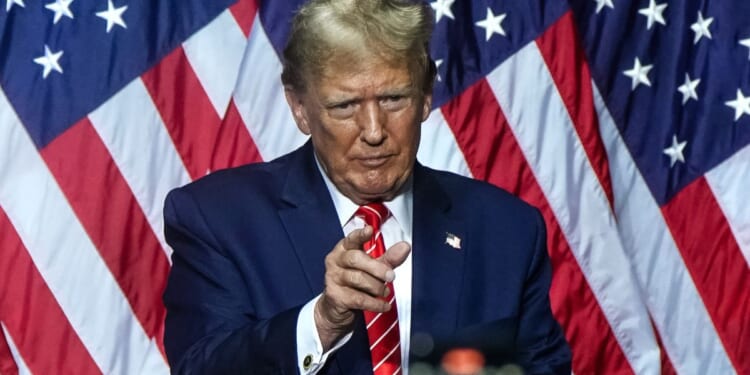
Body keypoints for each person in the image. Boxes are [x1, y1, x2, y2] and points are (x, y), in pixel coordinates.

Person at [162, 0, 572, 373]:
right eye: (344, 106)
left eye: (394, 99)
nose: (374, 132)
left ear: (426, 95)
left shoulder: (508, 231)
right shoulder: (217, 220)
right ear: (300, 108)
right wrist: (321, 321)